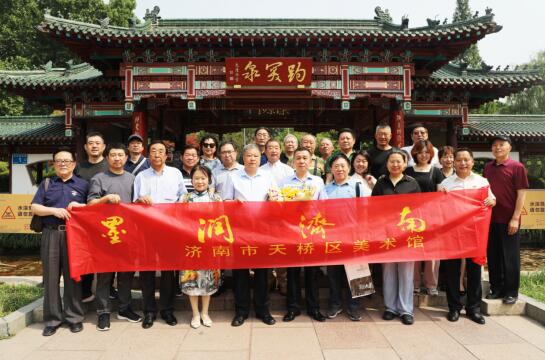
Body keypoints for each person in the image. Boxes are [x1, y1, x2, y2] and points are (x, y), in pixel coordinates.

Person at [31, 148, 88, 336]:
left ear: (73, 164)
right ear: (54, 164)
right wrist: (54, 211)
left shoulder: (83, 184)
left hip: (75, 237)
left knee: (73, 277)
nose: (63, 164)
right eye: (58, 161)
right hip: (51, 233)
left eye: (66, 161)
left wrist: (81, 206)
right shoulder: (47, 184)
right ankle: (52, 320)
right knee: (51, 277)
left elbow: (92, 209)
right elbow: (35, 207)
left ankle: (74, 318)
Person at [87, 143, 142, 331]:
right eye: (113, 155)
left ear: (126, 158)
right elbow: (90, 204)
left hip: (127, 234)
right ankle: (103, 313)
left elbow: (137, 204)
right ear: (107, 157)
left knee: (126, 275)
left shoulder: (133, 178)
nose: (117, 158)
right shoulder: (98, 178)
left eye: (120, 155)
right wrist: (105, 198)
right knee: (104, 276)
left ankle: (125, 308)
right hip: (105, 235)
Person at [133, 140, 188, 329]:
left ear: (167, 156)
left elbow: (183, 196)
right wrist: (140, 199)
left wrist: (179, 203)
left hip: (169, 228)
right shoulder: (141, 176)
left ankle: (167, 309)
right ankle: (149, 311)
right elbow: (134, 202)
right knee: (147, 271)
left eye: (161, 152)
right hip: (147, 229)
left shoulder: (175, 173)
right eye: (154, 151)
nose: (157, 154)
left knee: (168, 271)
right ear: (149, 155)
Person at [222, 144, 278, 327]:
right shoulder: (233, 177)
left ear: (259, 158)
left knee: (262, 272)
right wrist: (233, 203)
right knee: (240, 273)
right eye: (249, 156)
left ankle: (263, 310)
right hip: (240, 230)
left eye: (255, 156)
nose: (252, 158)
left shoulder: (268, 176)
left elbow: (277, 199)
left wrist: (273, 199)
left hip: (262, 230)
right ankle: (241, 311)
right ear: (243, 158)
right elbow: (224, 202)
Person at [439, 147, 496, 325]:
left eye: (466, 160)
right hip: (453, 233)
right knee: (452, 271)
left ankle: (473, 308)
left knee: (474, 271)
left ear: (472, 161)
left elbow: (491, 199)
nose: (463, 163)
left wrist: (492, 200)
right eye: (459, 160)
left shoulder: (482, 181)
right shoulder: (446, 184)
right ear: (453, 162)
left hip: (475, 232)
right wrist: (441, 196)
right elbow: (440, 208)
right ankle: (454, 307)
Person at [372, 150, 421, 325]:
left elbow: (419, 209)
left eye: (398, 161)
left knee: (406, 272)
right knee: (388, 271)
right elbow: (373, 208)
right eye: (392, 161)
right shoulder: (380, 184)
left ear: (405, 163)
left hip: (406, 234)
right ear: (387, 164)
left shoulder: (412, 183)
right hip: (387, 234)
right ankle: (390, 307)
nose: (395, 164)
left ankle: (406, 310)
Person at [279, 147, 328, 323]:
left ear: (310, 162)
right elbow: (278, 205)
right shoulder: (284, 182)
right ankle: (292, 308)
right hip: (292, 232)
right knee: (292, 272)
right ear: (293, 162)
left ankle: (313, 308)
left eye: (305, 158)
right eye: (298, 158)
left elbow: (324, 205)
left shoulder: (317, 182)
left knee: (312, 272)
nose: (301, 161)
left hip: (312, 232)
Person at [325, 153, 371, 321]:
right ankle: (335, 304)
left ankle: (354, 307)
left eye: (343, 165)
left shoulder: (359, 185)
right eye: (336, 166)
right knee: (334, 273)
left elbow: (367, 210)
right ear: (331, 169)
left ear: (349, 167)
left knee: (357, 272)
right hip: (333, 237)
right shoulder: (326, 189)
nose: (339, 169)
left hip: (354, 235)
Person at [483, 135, 529, 305]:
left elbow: (521, 194)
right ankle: (496, 289)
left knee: (510, 257)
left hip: (509, 219)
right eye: (494, 145)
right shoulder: (488, 168)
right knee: (493, 256)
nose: (497, 148)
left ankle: (511, 291)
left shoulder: (517, 167)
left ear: (509, 147)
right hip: (490, 219)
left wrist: (515, 218)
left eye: (501, 145)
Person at [179, 165, 222, 329]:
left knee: (207, 280)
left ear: (209, 180)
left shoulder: (216, 198)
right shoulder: (185, 198)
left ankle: (205, 312)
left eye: (203, 178)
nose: (200, 181)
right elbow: (178, 220)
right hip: (191, 246)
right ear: (191, 181)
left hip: (210, 245)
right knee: (192, 280)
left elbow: (222, 221)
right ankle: (195, 314)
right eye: (196, 178)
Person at [405, 140, 445, 296]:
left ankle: (431, 285)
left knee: (432, 253)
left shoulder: (436, 172)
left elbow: (440, 193)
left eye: (427, 152)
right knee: (413, 249)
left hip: (431, 216)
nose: (423, 155)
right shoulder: (408, 171)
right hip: (411, 217)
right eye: (420, 152)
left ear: (431, 154)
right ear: (415, 153)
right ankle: (414, 284)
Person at [75, 131, 108, 303]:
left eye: (98, 143)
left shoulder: (110, 166)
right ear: (85, 147)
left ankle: (110, 289)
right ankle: (86, 290)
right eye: (91, 143)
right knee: (86, 255)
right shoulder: (79, 167)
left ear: (104, 147)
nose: (94, 146)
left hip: (106, 219)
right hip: (84, 219)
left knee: (109, 255)